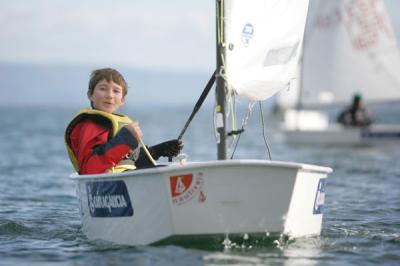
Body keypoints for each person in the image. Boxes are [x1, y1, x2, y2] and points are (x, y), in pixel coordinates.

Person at [64, 68, 183, 175]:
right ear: (90, 95)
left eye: (116, 91)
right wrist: (125, 139)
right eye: (103, 89)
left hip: (127, 179)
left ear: (122, 100)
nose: (109, 95)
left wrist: (156, 151)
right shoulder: (89, 126)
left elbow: (127, 162)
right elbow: (90, 169)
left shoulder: (119, 124)